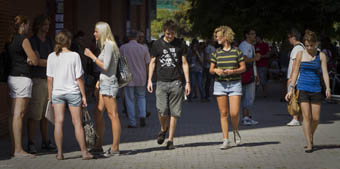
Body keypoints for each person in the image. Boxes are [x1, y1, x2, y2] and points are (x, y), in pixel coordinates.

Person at [47, 30, 93, 160]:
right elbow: (79, 78)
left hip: (57, 93)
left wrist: (50, 96)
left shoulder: (51, 56)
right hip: (73, 92)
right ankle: (84, 153)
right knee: (77, 123)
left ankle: (60, 153)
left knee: (58, 122)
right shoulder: (74, 56)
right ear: (69, 41)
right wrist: (83, 95)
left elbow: (49, 79)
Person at [285, 30, 331, 153]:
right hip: (303, 88)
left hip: (316, 89)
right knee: (307, 117)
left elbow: (325, 73)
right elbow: (295, 72)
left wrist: (328, 88)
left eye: (311, 45)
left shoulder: (321, 56)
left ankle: (309, 134)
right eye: (307, 45)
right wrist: (291, 88)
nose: (309, 48)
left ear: (316, 43)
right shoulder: (300, 54)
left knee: (316, 118)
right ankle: (309, 143)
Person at [147, 20, 190, 150]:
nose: (170, 36)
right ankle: (163, 128)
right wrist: (149, 80)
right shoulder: (157, 44)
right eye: (167, 34)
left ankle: (170, 140)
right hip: (161, 82)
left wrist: (187, 82)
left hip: (176, 82)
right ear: (164, 32)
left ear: (175, 32)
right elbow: (152, 62)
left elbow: (184, 63)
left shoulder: (181, 44)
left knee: (175, 113)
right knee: (162, 110)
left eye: (172, 34)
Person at [84, 21, 121, 156]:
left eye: (96, 31)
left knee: (113, 115)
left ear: (102, 32)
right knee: (98, 114)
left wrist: (91, 56)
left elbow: (105, 66)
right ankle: (98, 145)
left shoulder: (110, 45)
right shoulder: (106, 46)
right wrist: (99, 81)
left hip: (109, 84)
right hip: (104, 82)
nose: (94, 34)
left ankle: (115, 148)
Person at [7, 15, 39, 158]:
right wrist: (32, 58)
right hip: (22, 78)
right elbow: (34, 60)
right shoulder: (23, 40)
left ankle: (14, 148)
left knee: (13, 115)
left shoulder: (10, 40)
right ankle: (19, 150)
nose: (29, 28)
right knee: (19, 115)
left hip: (12, 77)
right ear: (23, 25)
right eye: (28, 25)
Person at [210, 26, 246, 149]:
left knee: (234, 113)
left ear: (225, 36)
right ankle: (225, 139)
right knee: (223, 113)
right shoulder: (216, 52)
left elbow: (243, 68)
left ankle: (235, 130)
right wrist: (216, 70)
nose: (216, 38)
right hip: (220, 84)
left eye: (218, 35)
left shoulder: (237, 51)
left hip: (235, 84)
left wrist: (233, 71)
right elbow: (210, 69)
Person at [26, 14, 56, 154]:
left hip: (49, 80)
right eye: (45, 24)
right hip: (37, 80)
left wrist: (47, 62)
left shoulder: (49, 40)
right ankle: (31, 142)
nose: (47, 27)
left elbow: (53, 59)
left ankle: (45, 141)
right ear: (38, 25)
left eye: (48, 24)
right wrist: (50, 62)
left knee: (46, 114)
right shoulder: (33, 41)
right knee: (34, 114)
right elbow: (36, 61)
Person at [120, 30, 151, 128]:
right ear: (137, 37)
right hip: (141, 76)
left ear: (129, 38)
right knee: (141, 97)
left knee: (129, 99)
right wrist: (149, 77)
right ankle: (142, 115)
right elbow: (147, 64)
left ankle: (132, 122)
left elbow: (121, 63)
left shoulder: (123, 48)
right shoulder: (143, 48)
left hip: (128, 76)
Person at [239, 27, 260, 126]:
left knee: (249, 97)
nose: (254, 36)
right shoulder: (244, 45)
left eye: (254, 34)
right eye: (252, 34)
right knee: (248, 97)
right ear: (247, 35)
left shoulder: (250, 45)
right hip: (246, 74)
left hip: (250, 73)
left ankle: (247, 116)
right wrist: (255, 58)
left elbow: (252, 63)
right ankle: (245, 117)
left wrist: (256, 74)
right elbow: (244, 59)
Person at [286, 28, 304, 126]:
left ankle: (295, 118)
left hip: (296, 78)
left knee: (294, 98)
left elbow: (294, 65)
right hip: (299, 77)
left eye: (289, 38)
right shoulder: (302, 47)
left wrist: (291, 78)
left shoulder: (296, 48)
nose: (288, 40)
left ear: (293, 37)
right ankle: (299, 118)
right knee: (297, 98)